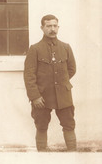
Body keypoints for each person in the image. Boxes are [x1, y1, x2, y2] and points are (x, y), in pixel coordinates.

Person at [24, 14, 77, 151]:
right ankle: (42, 157)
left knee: (69, 124)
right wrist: (35, 96)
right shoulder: (35, 49)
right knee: (41, 125)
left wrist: (60, 82)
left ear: (58, 27)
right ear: (42, 28)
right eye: (48, 26)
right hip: (42, 96)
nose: (52, 29)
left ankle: (72, 154)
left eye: (54, 26)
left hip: (63, 95)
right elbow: (29, 75)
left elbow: (71, 69)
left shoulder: (65, 47)